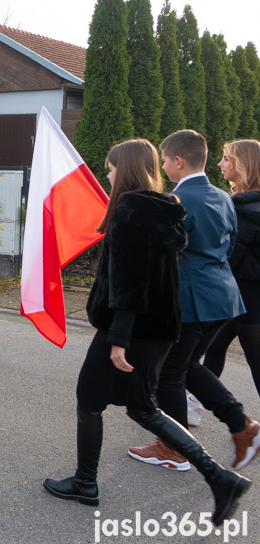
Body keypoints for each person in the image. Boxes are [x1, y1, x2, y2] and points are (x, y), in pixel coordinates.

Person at [43, 139, 250, 526]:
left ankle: (86, 482)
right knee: (143, 407)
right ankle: (220, 478)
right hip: (159, 329)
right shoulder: (167, 207)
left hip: (129, 327)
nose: (107, 174)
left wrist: (118, 336)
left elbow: (129, 280)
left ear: (126, 168)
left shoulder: (130, 209)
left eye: (110, 167)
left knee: (89, 400)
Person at [128, 130, 260, 472]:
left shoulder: (177, 202)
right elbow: (229, 248)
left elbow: (164, 257)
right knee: (186, 366)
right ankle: (240, 425)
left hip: (191, 298)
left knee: (171, 372)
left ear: (178, 161)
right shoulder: (222, 196)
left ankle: (175, 447)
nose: (162, 166)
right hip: (224, 297)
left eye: (164, 159)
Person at [202, 140, 260, 399]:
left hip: (245, 299)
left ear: (243, 165)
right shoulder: (241, 204)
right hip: (237, 296)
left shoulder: (240, 208)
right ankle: (196, 403)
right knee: (213, 348)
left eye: (226, 158)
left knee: (256, 363)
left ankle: (202, 405)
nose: (220, 163)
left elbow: (229, 255)